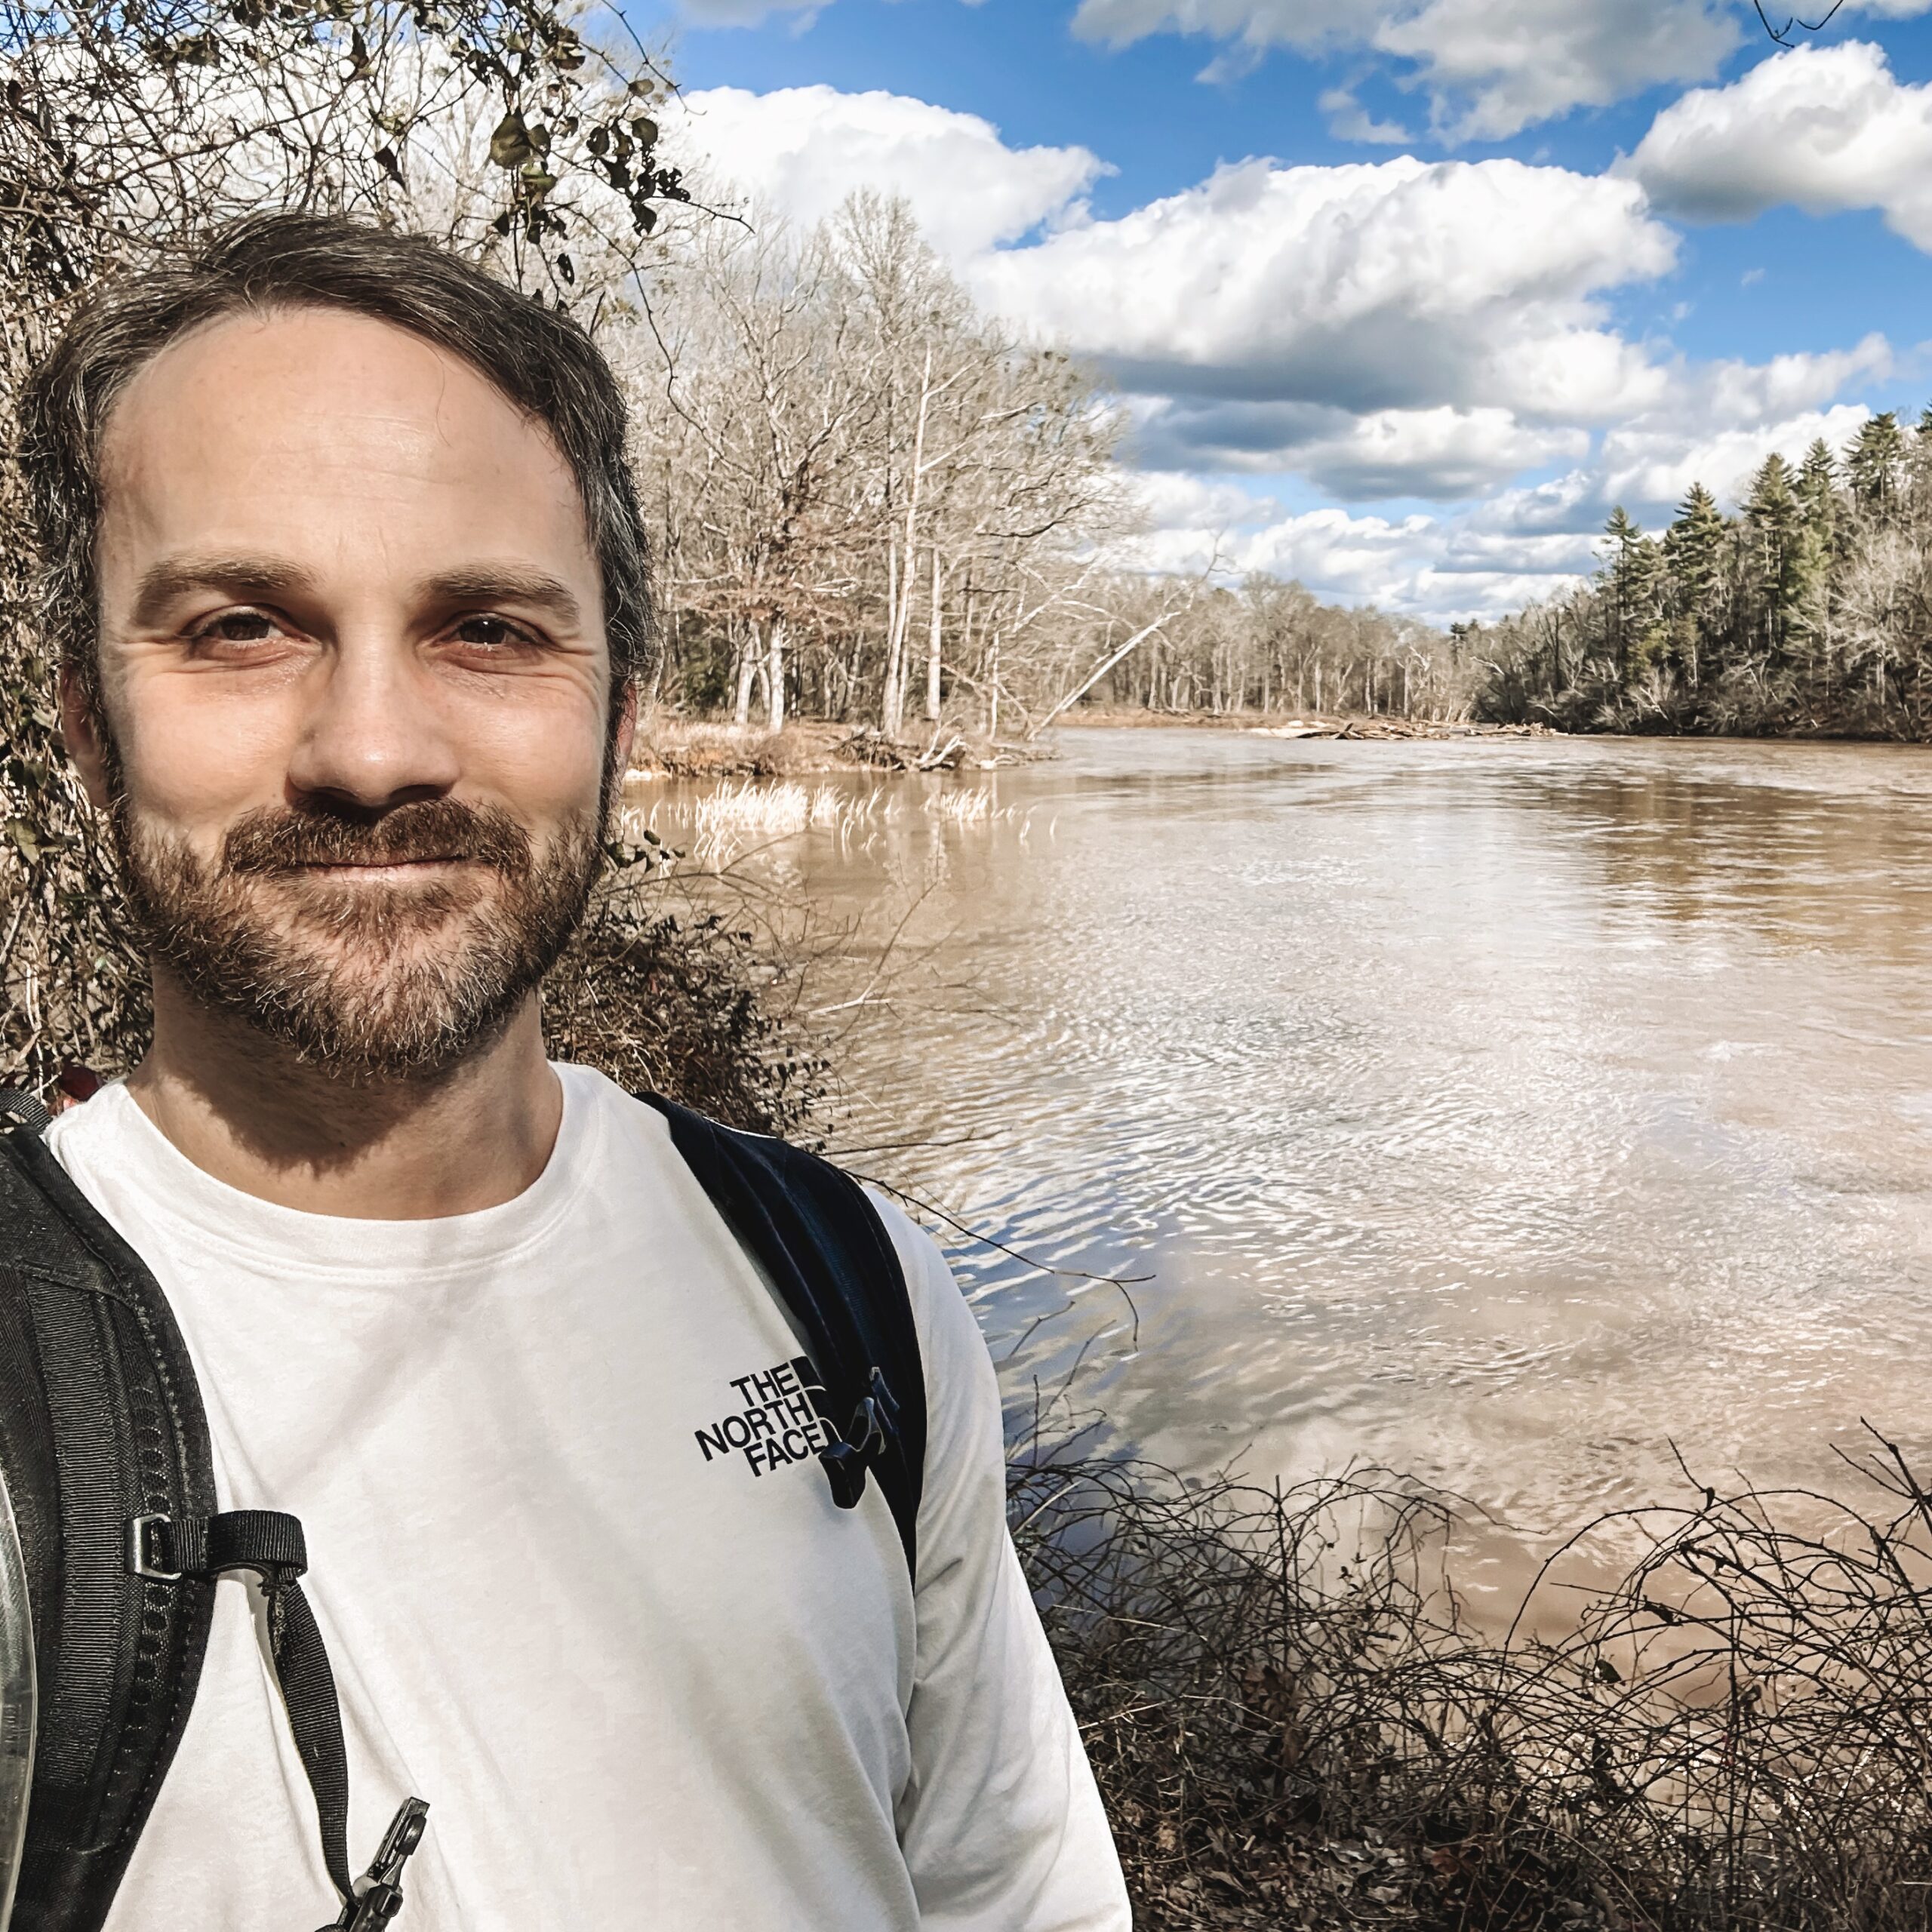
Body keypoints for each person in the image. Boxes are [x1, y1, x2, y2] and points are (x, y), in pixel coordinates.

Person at [16, 213, 1131, 1930]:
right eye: (242, 625)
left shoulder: (848, 1283)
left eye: (487, 628)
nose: (373, 748)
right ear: (89, 722)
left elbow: (1008, 1885)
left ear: (618, 722)